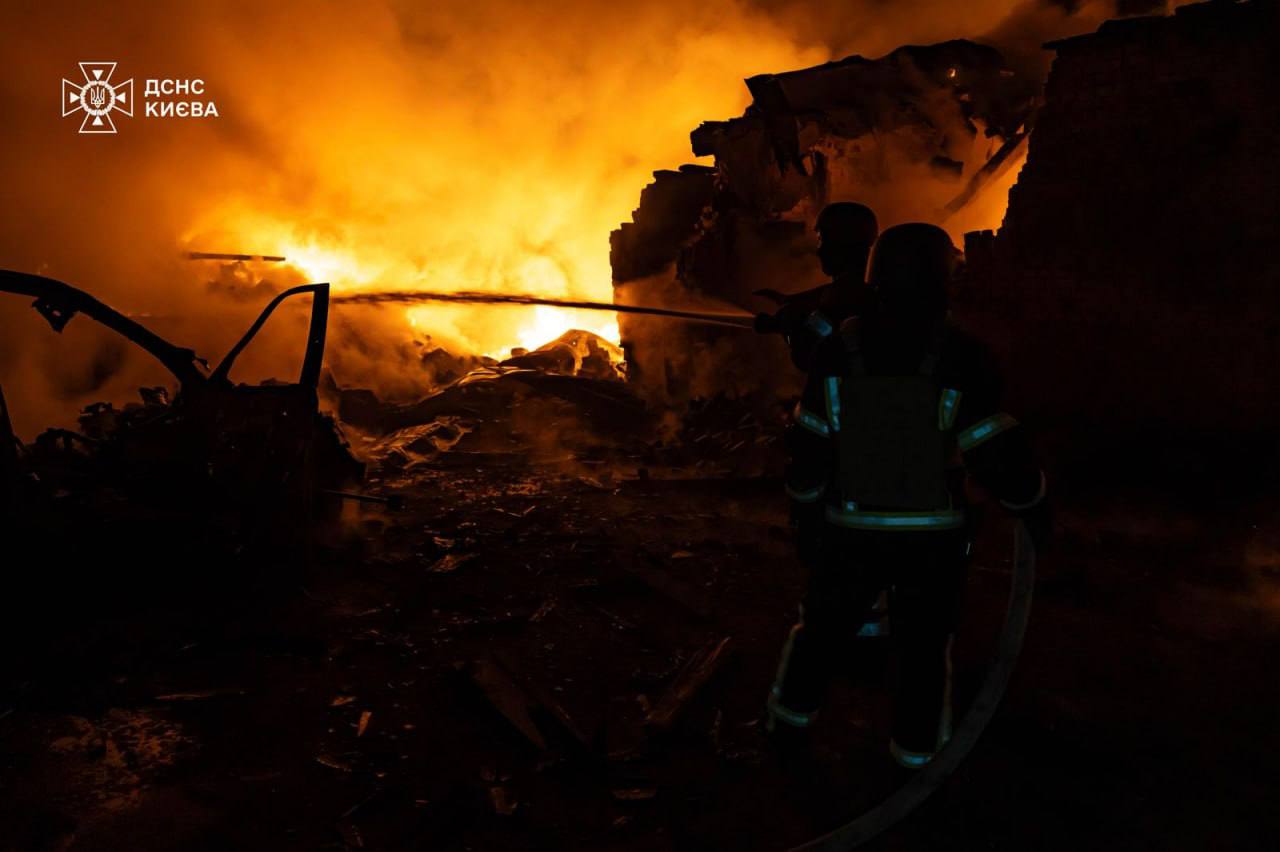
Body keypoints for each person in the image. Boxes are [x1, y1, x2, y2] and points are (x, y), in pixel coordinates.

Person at [766, 222, 1050, 768]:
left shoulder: (838, 350)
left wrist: (804, 509)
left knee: (820, 634)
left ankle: (786, 730)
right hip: (932, 542)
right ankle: (915, 759)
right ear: (943, 282)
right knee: (923, 651)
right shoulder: (964, 355)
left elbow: (810, 444)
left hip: (847, 533)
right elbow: (994, 450)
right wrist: (1031, 503)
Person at [755, 201, 879, 371]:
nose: (818, 250)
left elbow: (809, 353)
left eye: (822, 239)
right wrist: (790, 301)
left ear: (841, 244)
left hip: (839, 387)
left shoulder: (843, 301)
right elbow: (829, 293)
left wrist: (791, 324)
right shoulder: (869, 289)